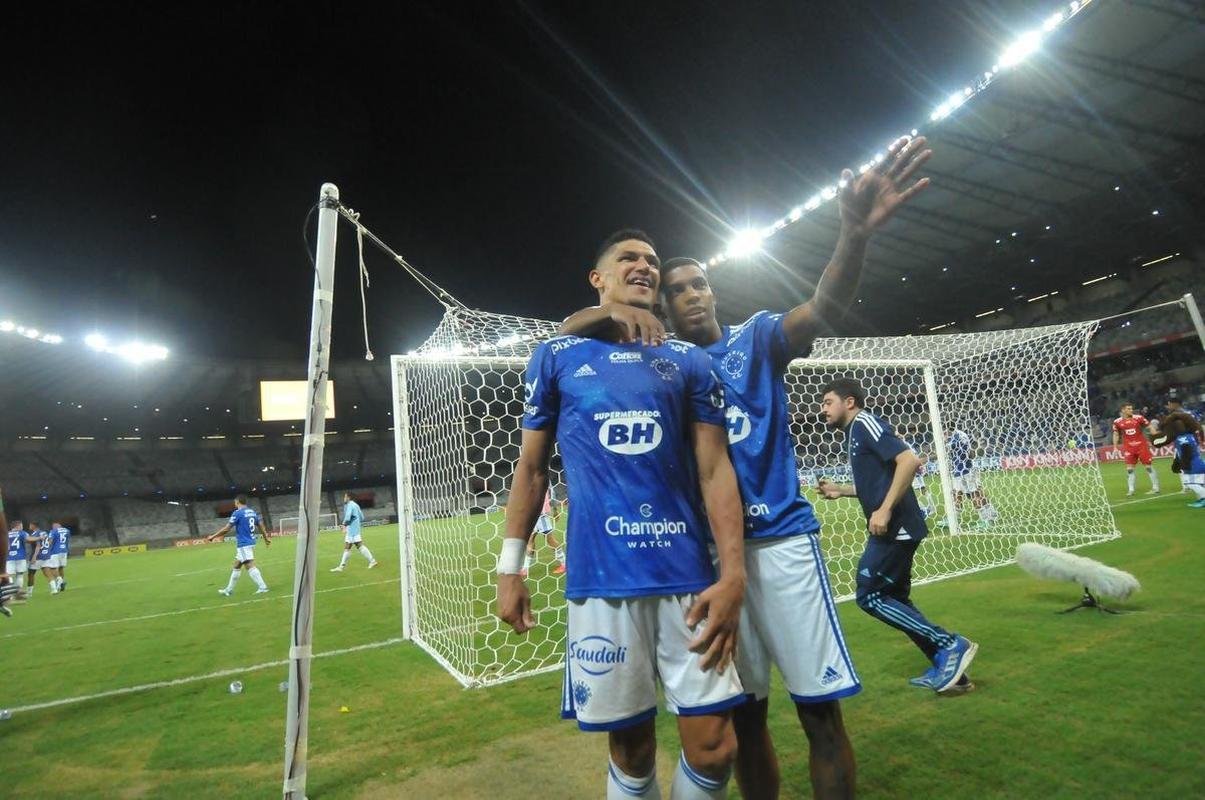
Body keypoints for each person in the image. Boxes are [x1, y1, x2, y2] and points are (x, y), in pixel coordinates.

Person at [558, 134, 932, 799]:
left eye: (700, 281)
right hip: (707, 561)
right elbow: (564, 337)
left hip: (781, 546)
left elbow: (825, 309)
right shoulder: (657, 370)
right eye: (677, 289)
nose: (693, 293)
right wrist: (606, 308)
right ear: (662, 307)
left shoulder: (756, 339)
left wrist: (852, 232)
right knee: (746, 720)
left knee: (818, 712)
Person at [497, 229, 747, 800]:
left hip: (686, 578)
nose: (645, 266)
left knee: (715, 748)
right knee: (632, 752)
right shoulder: (557, 357)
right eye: (629, 258)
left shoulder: (688, 360)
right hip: (601, 582)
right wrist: (511, 569)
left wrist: (733, 574)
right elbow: (532, 470)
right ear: (599, 278)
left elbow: (715, 471)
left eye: (653, 260)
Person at [818, 377, 977, 694]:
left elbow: (909, 461)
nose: (822, 409)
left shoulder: (864, 423)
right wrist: (843, 491)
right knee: (896, 599)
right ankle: (952, 673)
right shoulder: (854, 433)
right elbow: (877, 482)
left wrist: (886, 508)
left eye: (827, 402)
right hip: (892, 526)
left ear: (849, 402)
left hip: (896, 527)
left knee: (870, 596)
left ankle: (950, 644)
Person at [207, 495, 272, 595]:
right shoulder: (252, 512)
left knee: (249, 565)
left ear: (237, 502)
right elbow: (260, 525)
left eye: (235, 502)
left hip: (244, 543)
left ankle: (263, 587)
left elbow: (226, 529)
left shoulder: (237, 513)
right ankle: (229, 590)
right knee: (237, 565)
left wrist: (213, 536)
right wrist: (266, 538)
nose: (235, 504)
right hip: (250, 541)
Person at [936, 429, 998, 530]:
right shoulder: (961, 434)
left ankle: (984, 519)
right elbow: (970, 453)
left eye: (944, 432)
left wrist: (941, 443)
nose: (943, 434)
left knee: (969, 494)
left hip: (963, 470)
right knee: (972, 493)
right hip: (965, 468)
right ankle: (991, 512)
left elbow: (945, 450)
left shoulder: (955, 438)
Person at [1153, 411, 1205, 508]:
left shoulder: (1182, 438)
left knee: (1191, 484)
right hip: (1198, 462)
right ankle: (1202, 499)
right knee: (1198, 483)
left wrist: (1184, 464)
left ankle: (1204, 498)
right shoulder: (1189, 436)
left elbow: (1186, 451)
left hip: (1193, 465)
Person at [1113, 403, 1159, 496]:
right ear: (1123, 410)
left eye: (1131, 408)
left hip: (1142, 446)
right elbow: (1116, 434)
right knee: (1129, 469)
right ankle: (1131, 490)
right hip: (1129, 448)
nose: (1131, 410)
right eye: (1128, 409)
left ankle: (1156, 487)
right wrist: (1115, 447)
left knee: (1148, 467)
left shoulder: (1139, 418)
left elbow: (1149, 426)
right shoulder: (1117, 422)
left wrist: (1155, 436)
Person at [521, 488, 565, 578]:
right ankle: (525, 568)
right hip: (531, 513)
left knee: (550, 540)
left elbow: (551, 493)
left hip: (541, 514)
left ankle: (564, 564)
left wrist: (555, 510)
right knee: (530, 539)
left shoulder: (542, 476)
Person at [331, 491, 378, 572]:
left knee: (354, 547)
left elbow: (348, 517)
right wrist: (355, 522)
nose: (344, 498)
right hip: (355, 529)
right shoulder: (356, 505)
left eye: (345, 497)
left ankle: (372, 561)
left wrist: (344, 526)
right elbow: (362, 517)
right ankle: (341, 566)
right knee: (351, 547)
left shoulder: (349, 505)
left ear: (348, 498)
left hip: (352, 530)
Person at [1166, 395, 1203, 494]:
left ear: (1174, 404)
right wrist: (1202, 441)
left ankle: (1188, 487)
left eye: (1169, 404)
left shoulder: (1176, 415)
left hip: (1183, 442)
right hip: (1194, 441)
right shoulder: (1190, 413)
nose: (1168, 406)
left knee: (1183, 464)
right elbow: (1199, 427)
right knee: (1195, 463)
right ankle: (1195, 485)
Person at [5, 520, 29, 597]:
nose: (22, 527)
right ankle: (18, 592)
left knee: (9, 575)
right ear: (17, 526)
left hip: (9, 557)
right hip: (20, 556)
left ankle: (11, 593)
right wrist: (39, 538)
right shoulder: (22, 533)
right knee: (20, 574)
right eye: (21, 526)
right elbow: (28, 539)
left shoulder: (6, 534)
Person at [51, 520, 70, 590]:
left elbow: (50, 541)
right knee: (61, 567)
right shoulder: (67, 531)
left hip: (55, 551)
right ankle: (61, 585)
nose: (53, 527)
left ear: (57, 525)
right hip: (64, 551)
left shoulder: (54, 531)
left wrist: (47, 550)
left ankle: (60, 581)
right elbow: (67, 541)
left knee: (53, 568)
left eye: (53, 526)